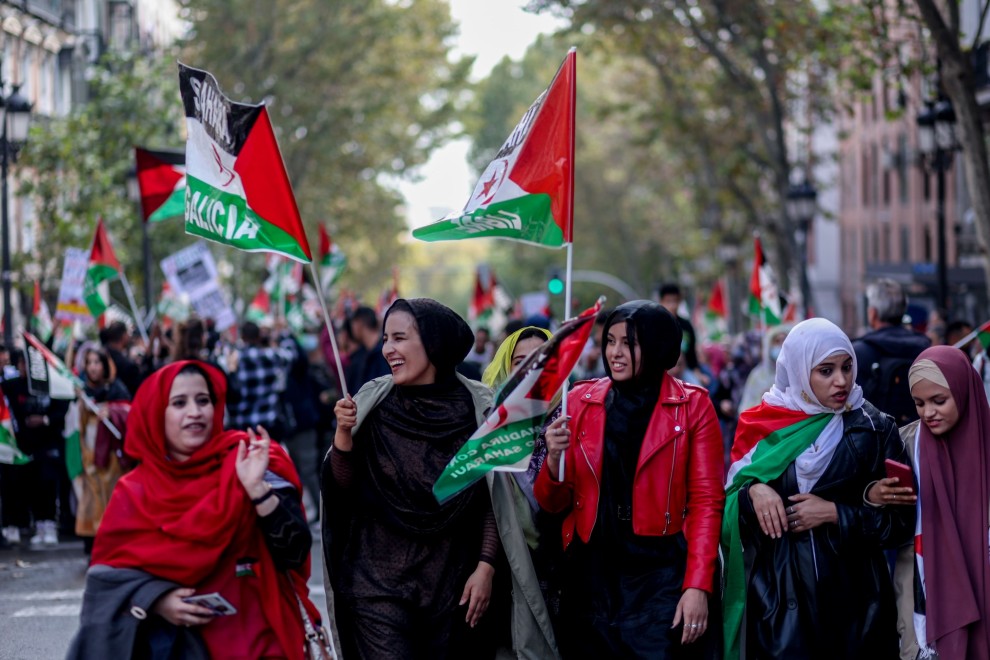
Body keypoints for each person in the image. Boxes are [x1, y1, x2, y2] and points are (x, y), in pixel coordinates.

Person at [322, 298, 557, 659]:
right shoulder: (372, 400)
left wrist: (485, 566)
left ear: (433, 342)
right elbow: (342, 490)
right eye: (386, 338)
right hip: (376, 584)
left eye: (399, 338)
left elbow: (491, 497)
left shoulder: (479, 407)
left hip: (453, 589)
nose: (388, 349)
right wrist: (342, 435)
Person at [68, 360, 322, 659]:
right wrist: (158, 601)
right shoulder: (132, 492)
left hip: (261, 643)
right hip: (175, 648)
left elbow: (295, 553)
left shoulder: (252, 460)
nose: (195, 412)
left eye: (204, 400)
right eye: (179, 403)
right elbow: (107, 582)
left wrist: (257, 491)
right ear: (156, 413)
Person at [536, 300, 725, 658]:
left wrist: (697, 586)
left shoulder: (693, 405)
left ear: (656, 345)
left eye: (629, 343)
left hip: (659, 575)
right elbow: (551, 502)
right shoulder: (580, 400)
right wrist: (554, 461)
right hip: (591, 575)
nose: (615, 353)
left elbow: (706, 503)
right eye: (610, 342)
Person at [721, 318, 914, 659]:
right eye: (826, 371)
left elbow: (901, 524)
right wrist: (752, 492)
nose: (841, 381)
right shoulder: (761, 425)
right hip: (780, 607)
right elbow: (729, 512)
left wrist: (836, 513)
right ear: (798, 370)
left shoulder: (874, 427)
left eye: (847, 366)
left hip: (858, 609)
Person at [869, 346, 990, 659]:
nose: (928, 413)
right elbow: (880, 521)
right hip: (922, 595)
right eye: (919, 403)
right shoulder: (905, 441)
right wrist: (874, 495)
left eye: (939, 401)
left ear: (963, 392)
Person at [70, 345, 131, 554]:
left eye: (97, 362)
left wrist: (112, 412)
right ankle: (93, 547)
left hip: (111, 457)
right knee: (91, 500)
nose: (93, 367)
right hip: (88, 453)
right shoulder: (82, 391)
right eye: (89, 363)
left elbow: (129, 415)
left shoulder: (117, 389)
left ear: (105, 366)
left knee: (112, 500)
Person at [852, 279, 930, 426]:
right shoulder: (925, 347)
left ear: (872, 313)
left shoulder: (859, 352)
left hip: (875, 437)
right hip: (919, 432)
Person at [738, 324, 792, 412]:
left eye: (784, 340)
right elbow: (746, 408)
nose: (781, 345)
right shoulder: (757, 375)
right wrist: (762, 401)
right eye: (777, 341)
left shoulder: (797, 373)